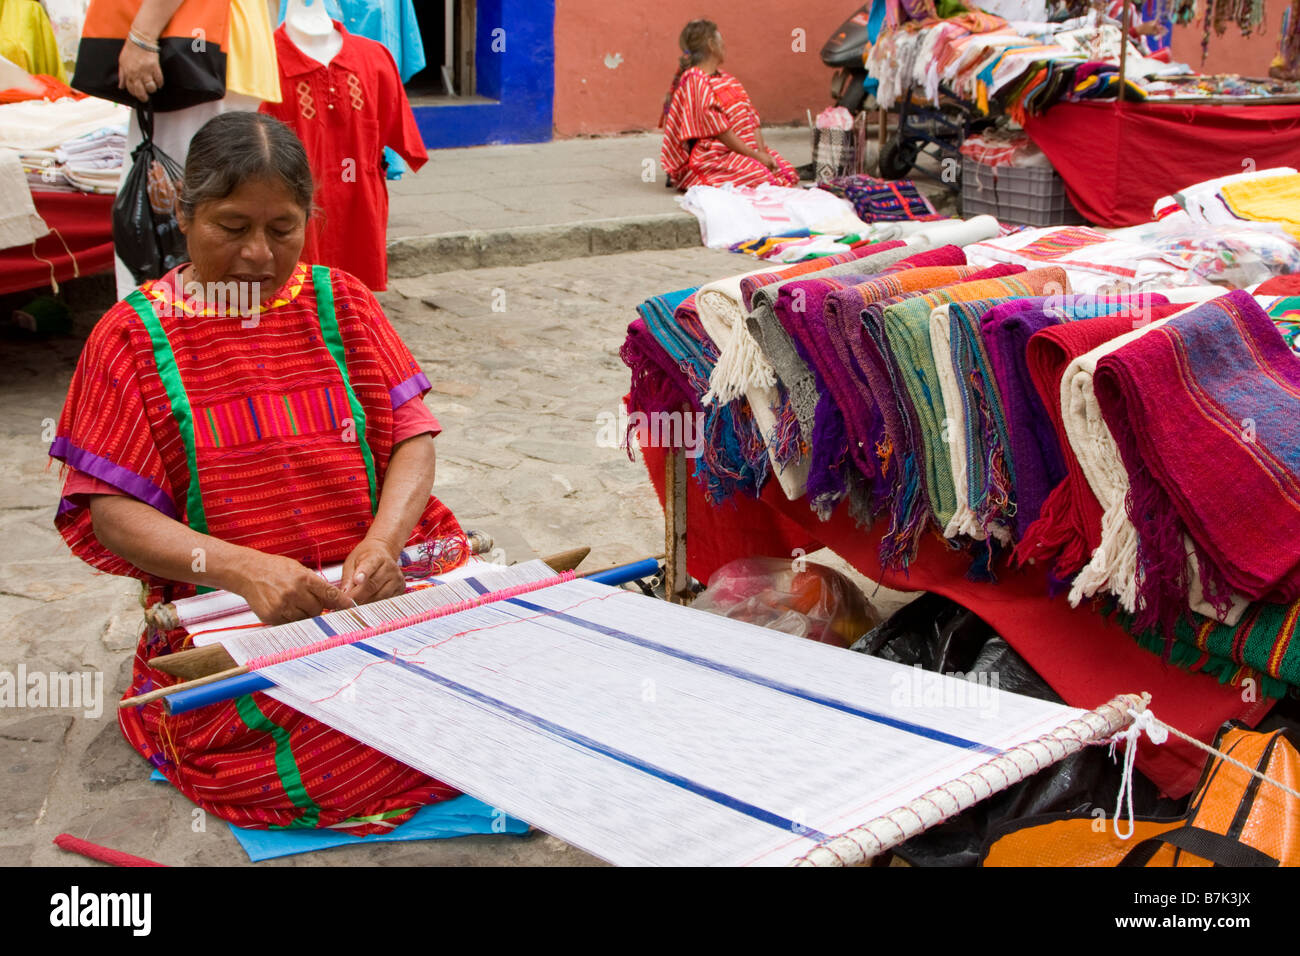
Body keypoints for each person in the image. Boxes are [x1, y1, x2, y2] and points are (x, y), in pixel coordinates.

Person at [50, 111, 464, 833]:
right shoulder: (130, 338)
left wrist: (383, 543)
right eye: (231, 226)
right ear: (183, 213)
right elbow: (110, 511)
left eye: (282, 229)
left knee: (501, 689)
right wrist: (246, 571)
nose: (257, 254)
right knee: (339, 743)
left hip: (377, 588)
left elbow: (411, 437)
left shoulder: (345, 304)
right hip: (236, 616)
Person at [110, 0, 282, 298]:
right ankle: (215, 330)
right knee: (223, 201)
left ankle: (169, 330)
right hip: (225, 47)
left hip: (194, 48)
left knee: (174, 206)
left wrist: (143, 36)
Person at [660, 19, 799, 191]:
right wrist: (754, 156)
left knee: (785, 172)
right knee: (761, 178)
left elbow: (751, 120)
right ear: (711, 45)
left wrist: (761, 154)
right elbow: (718, 128)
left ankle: (755, 165)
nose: (724, 45)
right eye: (720, 40)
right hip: (712, 158)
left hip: (744, 152)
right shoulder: (695, 79)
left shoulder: (728, 79)